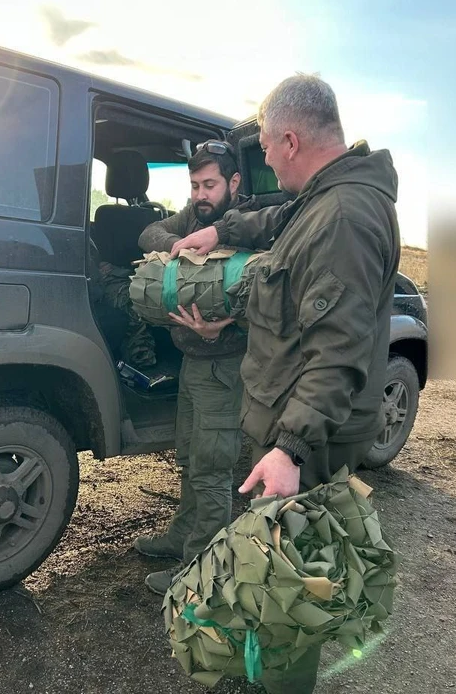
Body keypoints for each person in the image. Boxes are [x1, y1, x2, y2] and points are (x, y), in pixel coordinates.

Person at [170, 74, 401, 694]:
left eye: (268, 147)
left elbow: (338, 351)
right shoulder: (324, 201)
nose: (265, 159)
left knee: (290, 584)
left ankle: (277, 681)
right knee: (272, 575)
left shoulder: (346, 216)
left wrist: (291, 448)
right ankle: (261, 672)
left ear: (292, 141)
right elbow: (279, 225)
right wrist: (220, 232)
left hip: (309, 442)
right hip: (291, 428)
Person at [133, 140, 258, 595]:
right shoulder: (194, 217)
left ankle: (200, 571)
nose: (201, 194)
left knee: (212, 469)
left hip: (225, 366)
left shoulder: (250, 226)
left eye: (210, 184)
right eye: (194, 185)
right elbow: (149, 234)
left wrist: (224, 329)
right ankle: (181, 537)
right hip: (193, 362)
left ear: (234, 183)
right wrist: (183, 248)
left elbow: (265, 304)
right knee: (188, 457)